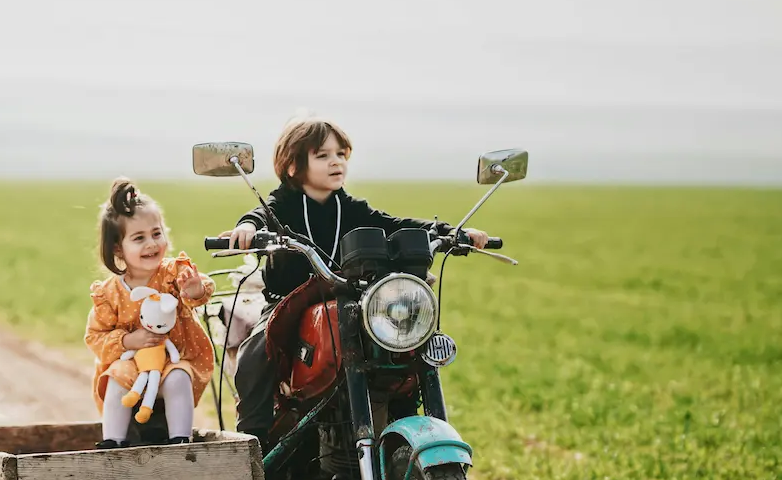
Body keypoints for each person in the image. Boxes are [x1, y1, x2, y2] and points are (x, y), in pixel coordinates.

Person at [220, 116, 488, 443]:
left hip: (351, 301)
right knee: (256, 354)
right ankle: (254, 445)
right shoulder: (283, 205)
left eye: (341, 154)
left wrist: (449, 233)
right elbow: (260, 215)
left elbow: (394, 224)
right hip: (286, 304)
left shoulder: (348, 207)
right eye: (323, 155)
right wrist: (248, 228)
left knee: (399, 349)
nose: (336, 162)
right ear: (292, 166)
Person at [86, 178, 216, 448]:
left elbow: (200, 293)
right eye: (139, 238)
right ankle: (113, 440)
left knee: (179, 378)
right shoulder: (109, 294)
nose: (151, 244)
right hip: (131, 362)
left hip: (174, 358)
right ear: (118, 249)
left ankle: (180, 439)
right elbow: (95, 336)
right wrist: (126, 341)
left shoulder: (172, 274)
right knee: (115, 379)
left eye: (157, 234)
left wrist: (193, 289)